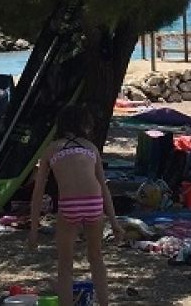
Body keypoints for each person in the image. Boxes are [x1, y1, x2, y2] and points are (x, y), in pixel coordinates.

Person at [27, 105, 121, 306]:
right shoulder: (90, 147)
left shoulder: (51, 149)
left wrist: (34, 230)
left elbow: (38, 193)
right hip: (94, 201)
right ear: (84, 125)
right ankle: (104, 303)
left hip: (69, 204)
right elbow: (104, 188)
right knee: (96, 257)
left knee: (65, 264)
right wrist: (114, 222)